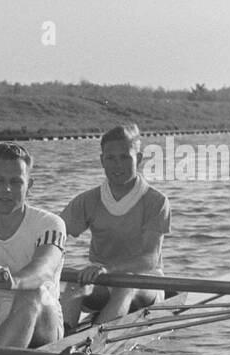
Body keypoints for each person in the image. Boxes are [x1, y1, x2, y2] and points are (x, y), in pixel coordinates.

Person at [60, 124, 171, 327]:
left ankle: (92, 346)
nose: (117, 165)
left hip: (144, 282)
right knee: (74, 286)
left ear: (138, 158)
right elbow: (53, 235)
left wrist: (108, 269)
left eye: (125, 157)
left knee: (125, 286)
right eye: (110, 158)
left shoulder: (156, 201)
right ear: (102, 160)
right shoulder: (88, 200)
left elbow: (149, 259)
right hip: (102, 280)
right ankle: (60, 342)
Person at [0, 143, 66, 348]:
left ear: (30, 184)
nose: (7, 189)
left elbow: (43, 270)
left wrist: (13, 282)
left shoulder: (50, 223)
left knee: (32, 291)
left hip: (40, 320)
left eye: (16, 182)